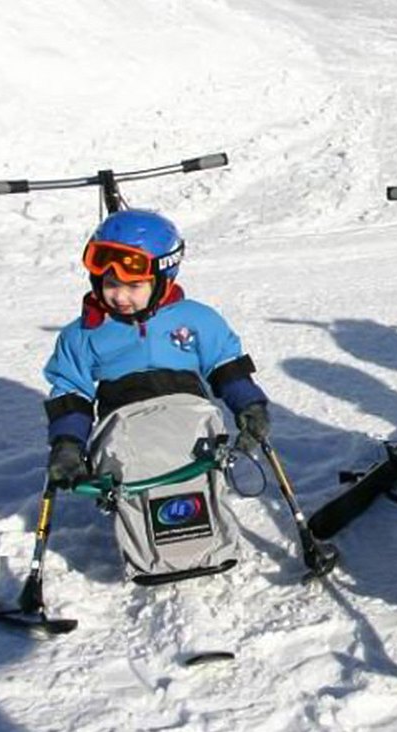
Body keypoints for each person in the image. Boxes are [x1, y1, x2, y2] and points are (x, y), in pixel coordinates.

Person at [42, 208, 270, 583]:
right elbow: (72, 392)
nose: (119, 297)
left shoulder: (196, 319)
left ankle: (209, 543)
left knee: (197, 464)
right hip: (124, 420)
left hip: (190, 416)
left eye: (133, 286)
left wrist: (250, 404)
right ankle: (148, 552)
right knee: (132, 463)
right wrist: (67, 443)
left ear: (163, 278)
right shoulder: (82, 334)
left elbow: (225, 365)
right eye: (110, 284)